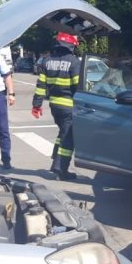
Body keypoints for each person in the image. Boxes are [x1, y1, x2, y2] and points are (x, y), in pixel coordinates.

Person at [31, 32, 82, 181]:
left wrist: (37, 105)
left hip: (54, 105)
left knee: (63, 134)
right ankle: (61, 170)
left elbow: (41, 86)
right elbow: (77, 87)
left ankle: (56, 160)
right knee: (69, 138)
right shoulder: (74, 62)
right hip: (69, 105)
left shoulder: (46, 61)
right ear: (71, 46)